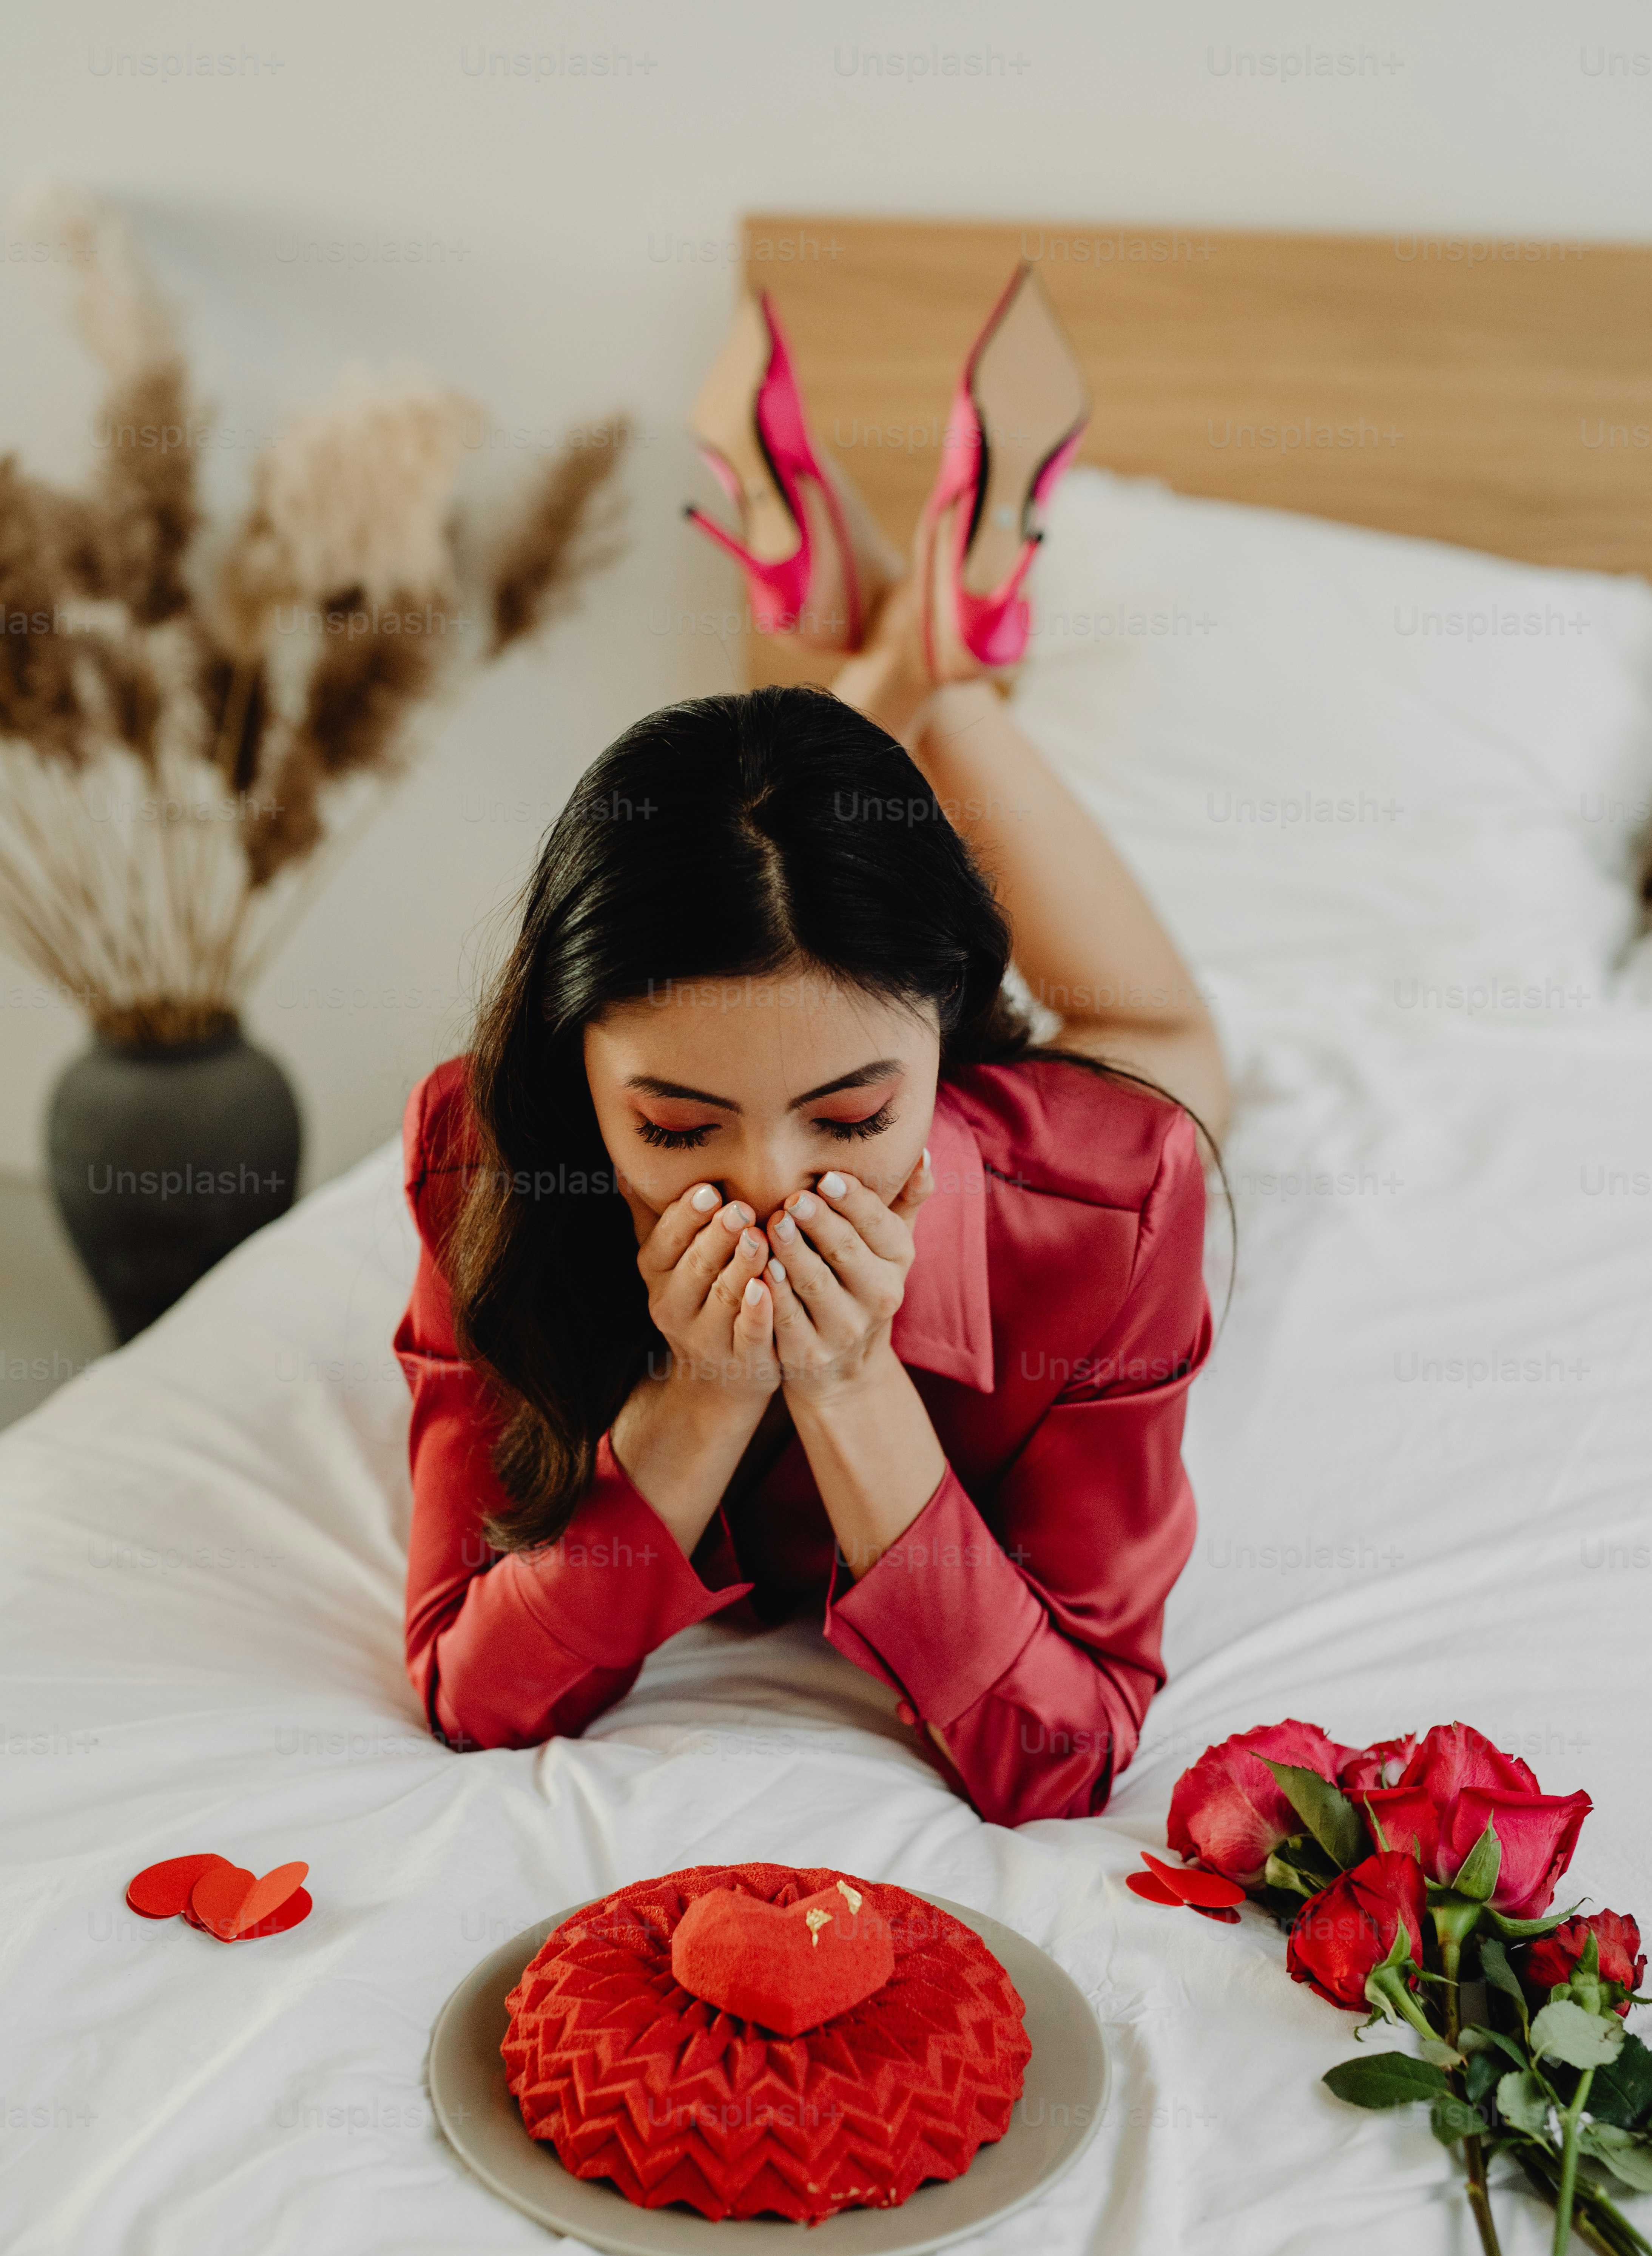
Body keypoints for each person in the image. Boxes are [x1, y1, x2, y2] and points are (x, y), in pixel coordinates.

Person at [394, 270, 1229, 1827]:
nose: (769, 1184)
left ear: (956, 1033)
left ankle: (936, 671)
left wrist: (849, 1384)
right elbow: (471, 1683)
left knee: (1165, 1045)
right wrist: (705, 1396)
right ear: (577, 1067)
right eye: (675, 1125)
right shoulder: (480, 1150)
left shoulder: (1113, 1198)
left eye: (851, 1119)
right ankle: (935, 637)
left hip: (1053, 1137)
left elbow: (1061, 1754)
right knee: (777, 853)